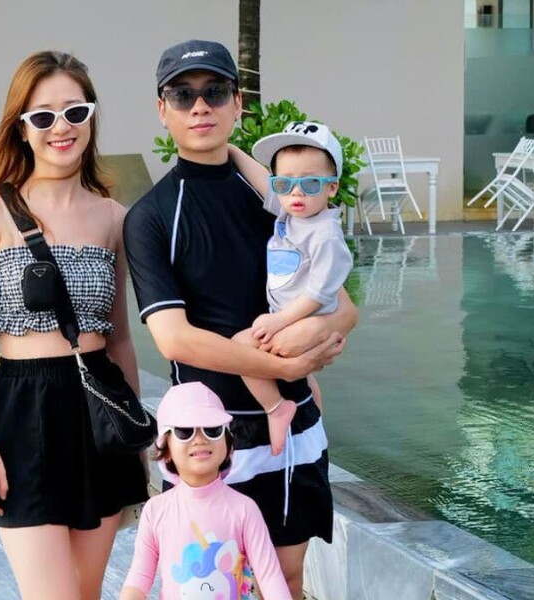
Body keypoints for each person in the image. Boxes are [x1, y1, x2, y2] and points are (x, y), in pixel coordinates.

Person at [123, 39, 358, 598]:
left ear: (238, 103)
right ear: (162, 109)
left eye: (215, 91)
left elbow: (343, 304)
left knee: (288, 580)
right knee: (209, 584)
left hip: (294, 430)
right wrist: (288, 364)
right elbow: (175, 340)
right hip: (206, 435)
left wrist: (311, 347)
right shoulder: (151, 217)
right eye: (183, 95)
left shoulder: (278, 198)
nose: (200, 106)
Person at [0, 50, 149, 600]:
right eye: (43, 116)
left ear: (91, 118)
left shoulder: (114, 218)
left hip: (99, 411)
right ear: (21, 128)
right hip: (23, 410)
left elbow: (119, 337)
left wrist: (137, 436)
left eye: (74, 112)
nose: (60, 127)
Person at [228, 122, 354, 456]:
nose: (296, 193)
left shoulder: (324, 234)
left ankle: (275, 407)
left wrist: (279, 320)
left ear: (332, 188)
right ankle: (316, 421)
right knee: (307, 381)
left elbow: (320, 293)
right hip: (290, 315)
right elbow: (261, 178)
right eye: (284, 183)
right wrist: (230, 149)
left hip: (305, 318)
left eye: (310, 183)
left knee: (240, 347)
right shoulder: (292, 213)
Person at [120, 382, 292, 600]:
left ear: (229, 445)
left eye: (212, 430)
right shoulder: (156, 510)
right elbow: (139, 577)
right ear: (166, 450)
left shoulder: (244, 509)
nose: (200, 440)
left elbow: (270, 576)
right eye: (185, 432)